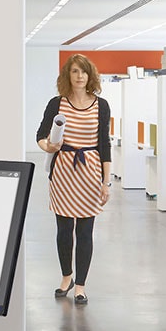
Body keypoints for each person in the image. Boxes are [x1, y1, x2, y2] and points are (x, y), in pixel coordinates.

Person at [36, 54, 112, 304]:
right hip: (63, 173)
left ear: (90, 76)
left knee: (86, 230)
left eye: (84, 72)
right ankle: (66, 276)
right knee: (64, 230)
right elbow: (41, 135)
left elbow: (105, 145)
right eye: (75, 72)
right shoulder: (57, 103)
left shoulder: (101, 105)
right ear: (67, 76)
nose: (80, 76)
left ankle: (80, 285)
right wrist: (48, 146)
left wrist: (106, 181)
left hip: (89, 172)